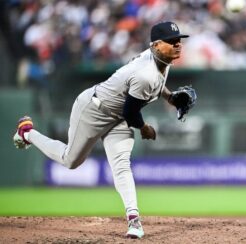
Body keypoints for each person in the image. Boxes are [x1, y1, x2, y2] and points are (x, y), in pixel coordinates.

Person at [13, 21, 189, 238]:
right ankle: (27, 133)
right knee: (71, 160)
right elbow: (131, 113)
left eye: (179, 40)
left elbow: (156, 85)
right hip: (94, 110)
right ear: (155, 45)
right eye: (172, 42)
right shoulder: (145, 73)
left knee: (122, 165)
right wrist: (145, 129)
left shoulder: (163, 59)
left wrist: (170, 97)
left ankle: (134, 220)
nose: (178, 45)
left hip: (118, 117)